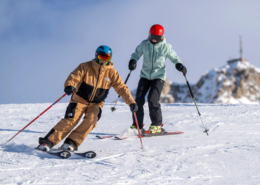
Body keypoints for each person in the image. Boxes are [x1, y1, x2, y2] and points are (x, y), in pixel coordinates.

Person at [37, 45, 138, 152]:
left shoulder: (112, 73)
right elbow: (73, 77)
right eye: (101, 57)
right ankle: (47, 142)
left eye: (107, 58)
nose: (104, 60)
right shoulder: (85, 67)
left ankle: (71, 143)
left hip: (96, 104)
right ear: (96, 56)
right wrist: (69, 86)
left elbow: (122, 88)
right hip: (79, 100)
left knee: (91, 120)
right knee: (70, 121)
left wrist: (131, 102)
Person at [128, 24, 187, 134]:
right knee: (138, 99)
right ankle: (137, 125)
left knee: (152, 99)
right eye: (152, 36)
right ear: (149, 35)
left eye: (157, 37)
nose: (154, 40)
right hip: (145, 76)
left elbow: (174, 57)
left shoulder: (166, 47)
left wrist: (179, 65)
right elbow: (136, 54)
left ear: (162, 37)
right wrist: (133, 60)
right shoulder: (144, 44)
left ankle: (157, 125)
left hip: (158, 77)